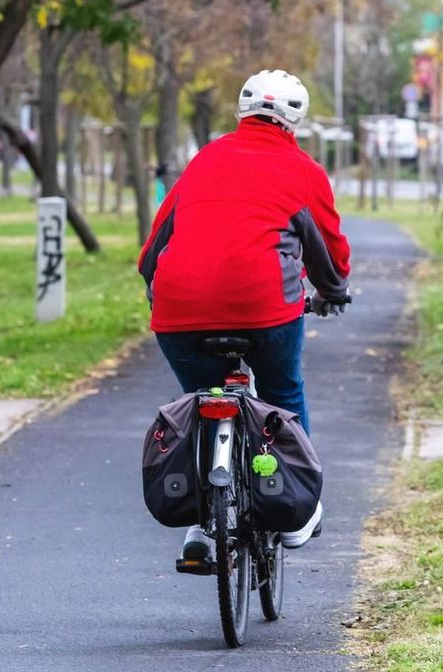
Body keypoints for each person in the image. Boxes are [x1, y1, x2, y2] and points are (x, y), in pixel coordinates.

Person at [137, 69, 351, 560]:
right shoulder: (303, 171)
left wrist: (160, 290)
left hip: (180, 307)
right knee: (282, 392)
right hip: (266, 309)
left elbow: (154, 247)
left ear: (241, 110)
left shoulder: (204, 160)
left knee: (200, 397)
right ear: (295, 122)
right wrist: (333, 291)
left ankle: (199, 526)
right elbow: (329, 249)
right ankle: (299, 507)